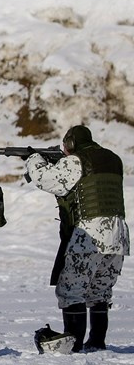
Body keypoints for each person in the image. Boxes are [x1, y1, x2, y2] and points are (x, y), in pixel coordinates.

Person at [25, 124, 128, 352]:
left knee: (71, 289)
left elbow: (46, 179)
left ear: (71, 143)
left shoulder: (76, 161)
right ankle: (97, 341)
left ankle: (75, 343)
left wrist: (33, 159)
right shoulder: (114, 159)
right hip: (118, 235)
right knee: (100, 290)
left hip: (90, 235)